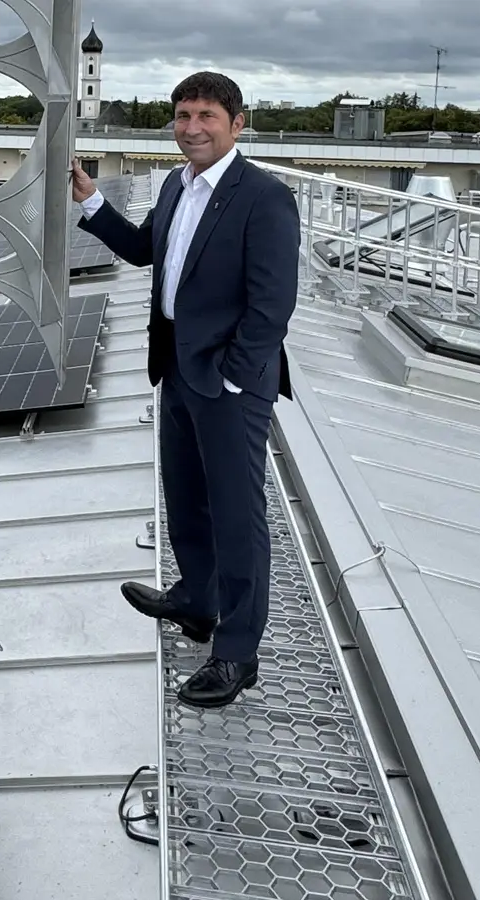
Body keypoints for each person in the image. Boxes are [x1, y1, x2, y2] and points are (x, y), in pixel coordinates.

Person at [72, 71, 298, 709]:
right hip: (175, 367)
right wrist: (92, 202)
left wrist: (231, 375)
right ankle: (199, 602)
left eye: (205, 117)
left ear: (236, 123)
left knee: (238, 516)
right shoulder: (176, 184)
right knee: (187, 497)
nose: (192, 128)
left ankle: (236, 653)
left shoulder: (264, 198)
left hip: (228, 383)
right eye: (182, 116)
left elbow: (272, 305)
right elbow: (148, 251)